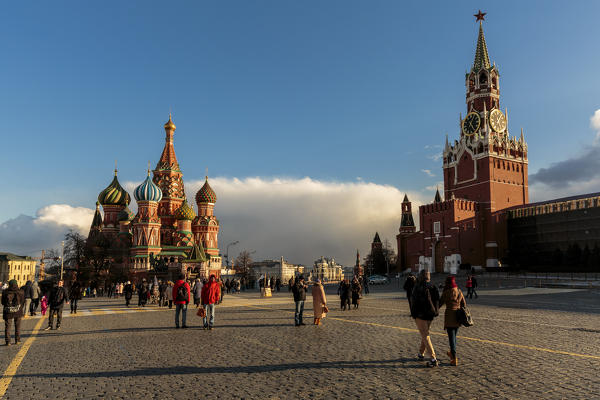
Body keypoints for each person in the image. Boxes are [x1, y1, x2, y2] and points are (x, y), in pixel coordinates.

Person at [410, 270, 440, 367]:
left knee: (425, 335)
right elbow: (437, 299)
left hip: (420, 315)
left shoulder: (418, 287)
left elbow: (413, 302)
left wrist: (413, 314)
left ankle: (433, 358)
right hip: (430, 314)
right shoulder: (433, 285)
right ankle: (421, 353)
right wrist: (435, 311)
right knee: (425, 333)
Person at [439, 275, 466, 366]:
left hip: (449, 316)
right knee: (454, 337)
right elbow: (464, 304)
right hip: (458, 317)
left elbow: (440, 303)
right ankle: (451, 353)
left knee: (451, 338)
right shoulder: (459, 291)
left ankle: (454, 358)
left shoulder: (446, 292)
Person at [2, 280, 24, 345]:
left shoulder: (5, 292)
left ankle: (8, 341)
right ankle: (17, 340)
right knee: (18, 326)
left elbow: (3, 302)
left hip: (8, 311)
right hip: (18, 311)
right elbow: (23, 302)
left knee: (8, 326)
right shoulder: (21, 292)